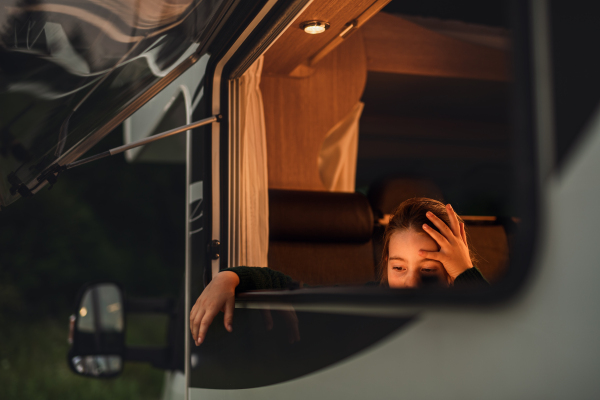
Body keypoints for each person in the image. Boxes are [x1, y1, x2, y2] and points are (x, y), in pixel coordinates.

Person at [190, 197, 487, 346]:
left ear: (452, 275)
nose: (409, 283)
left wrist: (466, 271)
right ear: (385, 267)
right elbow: (293, 291)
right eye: (398, 267)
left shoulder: (466, 317)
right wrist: (229, 277)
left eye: (429, 270)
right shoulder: (366, 304)